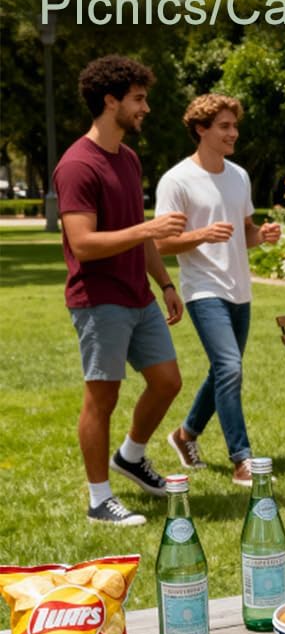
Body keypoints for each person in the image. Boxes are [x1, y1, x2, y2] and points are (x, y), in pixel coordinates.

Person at [54, 54, 187, 527]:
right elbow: (84, 245)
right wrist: (146, 228)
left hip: (138, 295)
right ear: (110, 102)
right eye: (138, 99)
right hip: (99, 300)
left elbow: (139, 232)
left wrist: (165, 282)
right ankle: (98, 499)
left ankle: (130, 457)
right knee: (102, 399)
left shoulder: (128, 159)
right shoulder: (76, 166)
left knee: (168, 381)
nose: (145, 108)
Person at [154, 93, 281, 487]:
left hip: (239, 289)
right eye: (224, 126)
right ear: (201, 129)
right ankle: (241, 460)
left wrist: (263, 235)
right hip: (202, 289)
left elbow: (244, 233)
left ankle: (186, 434)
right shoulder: (176, 180)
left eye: (234, 126)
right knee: (230, 367)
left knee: (222, 371)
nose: (233, 133)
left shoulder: (238, 176)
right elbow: (160, 244)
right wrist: (202, 235)